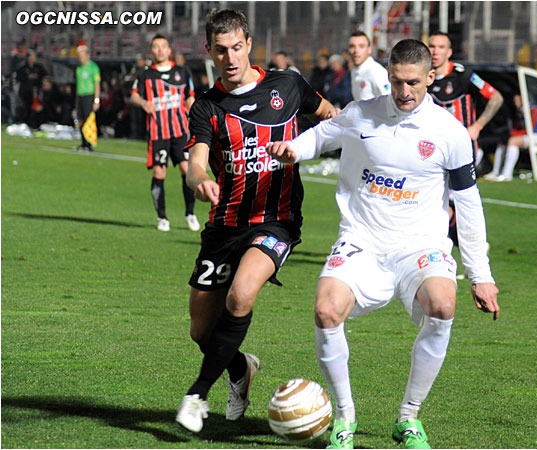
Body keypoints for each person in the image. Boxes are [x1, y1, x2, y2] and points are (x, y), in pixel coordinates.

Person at [267, 39, 499, 450]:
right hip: (363, 240)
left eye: (413, 82)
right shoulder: (362, 114)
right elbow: (318, 137)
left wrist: (481, 275)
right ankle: (344, 417)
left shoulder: (450, 132)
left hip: (421, 245)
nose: (404, 91)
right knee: (325, 310)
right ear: (388, 75)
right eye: (396, 81)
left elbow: (468, 204)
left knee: (443, 305)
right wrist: (292, 149)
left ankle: (408, 418)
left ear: (431, 77)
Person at [174, 8, 336, 433]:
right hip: (224, 224)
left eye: (237, 47)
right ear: (208, 51)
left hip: (276, 221)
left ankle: (197, 395)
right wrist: (201, 180)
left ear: (249, 43)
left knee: (241, 295)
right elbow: (194, 165)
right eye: (220, 50)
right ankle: (241, 368)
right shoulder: (207, 107)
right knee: (200, 331)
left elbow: (332, 120)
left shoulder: (288, 84)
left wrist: (309, 146)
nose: (230, 57)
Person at [427, 31, 503, 255]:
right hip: (431, 150)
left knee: (455, 204)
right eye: (432, 46)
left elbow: (495, 97)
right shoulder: (423, 76)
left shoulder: (463, 75)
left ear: (449, 52)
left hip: (461, 151)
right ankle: (463, 250)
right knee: (433, 203)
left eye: (441, 47)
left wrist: (477, 126)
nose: (435, 51)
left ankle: (469, 250)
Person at [130, 34, 199, 232]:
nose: (160, 50)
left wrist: (194, 120)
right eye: (156, 47)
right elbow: (134, 95)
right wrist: (144, 103)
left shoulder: (182, 72)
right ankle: (162, 217)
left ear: (170, 50)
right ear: (151, 51)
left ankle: (190, 213)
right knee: (159, 171)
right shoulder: (145, 75)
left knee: (187, 170)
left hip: (180, 131)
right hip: (157, 132)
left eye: (163, 46)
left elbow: (190, 97)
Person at [486, 93, 537, 181]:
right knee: (503, 141)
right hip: (530, 136)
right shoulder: (519, 111)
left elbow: (531, 128)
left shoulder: (533, 110)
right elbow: (518, 128)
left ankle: (507, 174)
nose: (515, 103)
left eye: (517, 100)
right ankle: (495, 171)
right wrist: (513, 133)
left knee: (513, 141)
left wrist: (515, 134)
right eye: (515, 101)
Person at [348, 31, 390, 101]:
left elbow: (389, 101)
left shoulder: (376, 72)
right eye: (352, 46)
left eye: (361, 46)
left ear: (369, 49)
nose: (356, 50)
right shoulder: (354, 71)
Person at [74, 41, 100, 151]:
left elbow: (97, 84)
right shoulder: (78, 69)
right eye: (80, 56)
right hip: (80, 96)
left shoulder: (93, 67)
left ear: (88, 55)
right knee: (80, 119)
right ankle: (83, 142)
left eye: (83, 55)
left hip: (89, 96)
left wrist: (97, 100)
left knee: (88, 120)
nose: (81, 58)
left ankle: (90, 143)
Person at [15, 50, 47, 125]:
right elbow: (18, 77)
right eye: (33, 56)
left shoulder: (39, 67)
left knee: (38, 107)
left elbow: (44, 76)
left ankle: (37, 123)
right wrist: (27, 77)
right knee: (26, 108)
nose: (35, 58)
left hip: (37, 92)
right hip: (25, 92)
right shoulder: (22, 67)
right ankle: (25, 123)